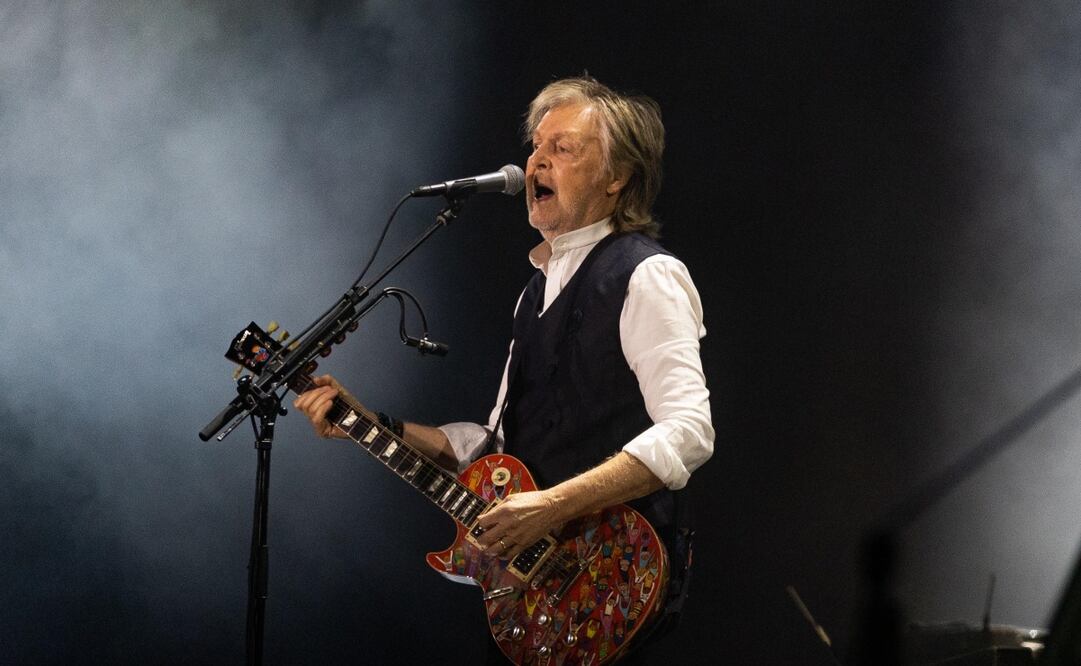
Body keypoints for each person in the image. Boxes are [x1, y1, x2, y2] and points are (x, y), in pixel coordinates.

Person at [294, 76, 713, 664]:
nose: (536, 161)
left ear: (617, 177)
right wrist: (366, 422)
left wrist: (551, 506)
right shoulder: (533, 294)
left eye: (562, 148)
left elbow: (690, 431)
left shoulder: (647, 275)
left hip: (612, 586)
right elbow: (488, 451)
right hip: (533, 602)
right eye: (535, 146)